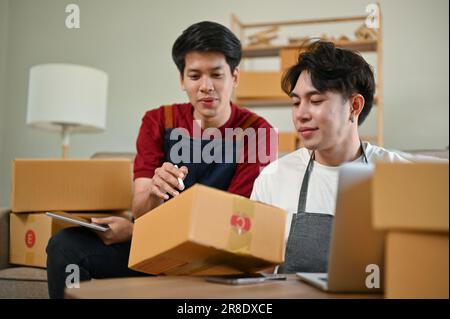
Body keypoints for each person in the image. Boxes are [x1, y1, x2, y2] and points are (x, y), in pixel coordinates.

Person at [46, 21, 276, 298]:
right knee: (65, 246)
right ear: (181, 80)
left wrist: (134, 233)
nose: (206, 86)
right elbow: (141, 209)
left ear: (235, 76)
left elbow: (233, 227)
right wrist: (154, 194)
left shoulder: (258, 132)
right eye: (194, 76)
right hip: (156, 252)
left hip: (217, 260)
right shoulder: (157, 121)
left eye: (216, 74)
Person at [250, 41, 408, 274]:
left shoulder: (400, 176)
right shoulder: (273, 178)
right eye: (295, 102)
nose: (301, 114)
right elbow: (256, 274)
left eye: (315, 101)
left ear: (354, 106)